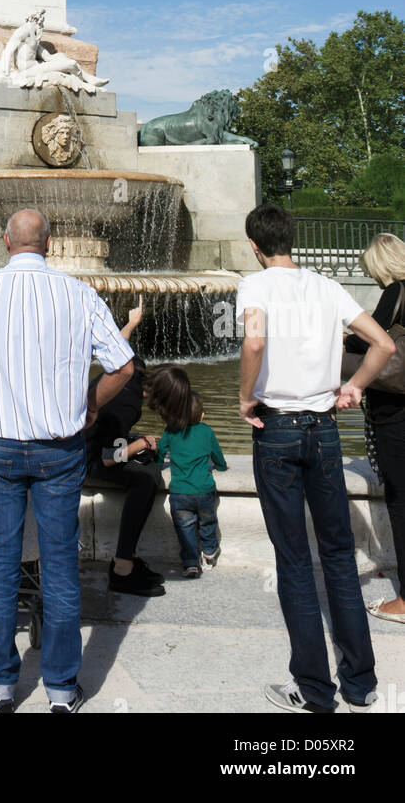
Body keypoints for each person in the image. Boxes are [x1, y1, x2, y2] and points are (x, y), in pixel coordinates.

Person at [0, 207, 136, 714]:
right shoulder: (79, 294)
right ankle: (62, 688)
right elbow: (124, 366)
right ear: (50, 243)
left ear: (4, 241)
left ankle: (0, 685)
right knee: (61, 566)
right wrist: (91, 403)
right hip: (59, 451)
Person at [238, 203, 395, 714]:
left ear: (256, 248)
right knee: (339, 556)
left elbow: (255, 339)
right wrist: (353, 386)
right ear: (292, 240)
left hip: (277, 428)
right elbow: (384, 344)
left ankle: (314, 690)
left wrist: (243, 397)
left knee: (294, 561)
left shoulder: (254, 285)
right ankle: (361, 684)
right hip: (325, 429)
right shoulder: (328, 287)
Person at [348, 232, 405, 623]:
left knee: (401, 502)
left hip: (396, 412)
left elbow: (374, 341)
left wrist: (344, 341)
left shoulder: (396, 290)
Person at [86, 355, 167, 597]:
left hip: (86, 444)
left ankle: (127, 558)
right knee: (145, 479)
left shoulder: (131, 375)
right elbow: (108, 458)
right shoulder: (128, 403)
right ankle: (122, 568)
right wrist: (139, 444)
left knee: (148, 470)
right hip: (84, 459)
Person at [157, 388, 227, 578]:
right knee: (208, 522)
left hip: (179, 493)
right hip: (204, 491)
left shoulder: (171, 430)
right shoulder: (206, 431)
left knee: (184, 528)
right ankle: (209, 553)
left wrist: (157, 465)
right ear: (202, 415)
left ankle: (190, 564)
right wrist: (221, 466)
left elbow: (161, 450)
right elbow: (217, 454)